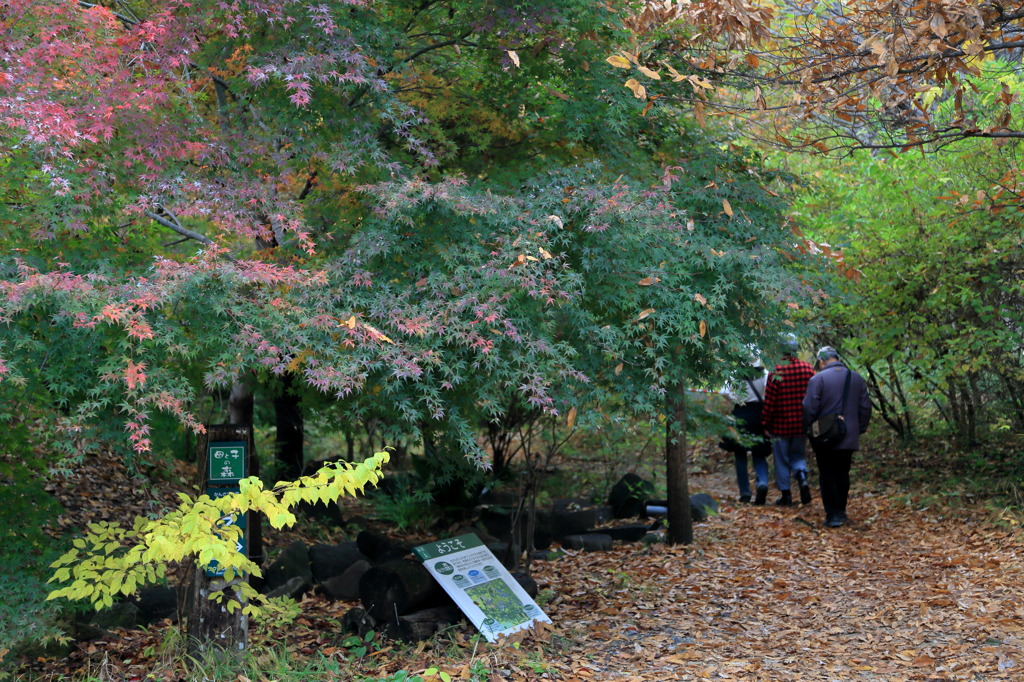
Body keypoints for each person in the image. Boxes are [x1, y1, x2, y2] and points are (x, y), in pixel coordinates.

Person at [802, 346, 872, 528]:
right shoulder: (855, 378)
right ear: (837, 358)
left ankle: (832, 515)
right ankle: (841, 511)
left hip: (825, 435)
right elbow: (865, 407)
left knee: (827, 473)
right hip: (849, 434)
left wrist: (811, 429)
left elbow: (809, 408)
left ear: (821, 361)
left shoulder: (817, 379)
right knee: (843, 473)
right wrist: (860, 428)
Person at [761, 335, 815, 506]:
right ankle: (802, 477)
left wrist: (765, 423)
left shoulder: (776, 372)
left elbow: (769, 402)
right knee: (798, 455)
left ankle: (786, 495)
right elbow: (814, 398)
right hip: (801, 424)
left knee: (781, 459)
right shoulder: (808, 370)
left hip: (780, 426)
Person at [719, 359, 772, 505]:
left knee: (740, 455)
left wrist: (736, 399)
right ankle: (762, 482)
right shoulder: (765, 374)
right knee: (759, 453)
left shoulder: (735, 373)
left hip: (740, 414)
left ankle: (745, 493)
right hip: (759, 415)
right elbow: (771, 389)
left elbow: (723, 391)